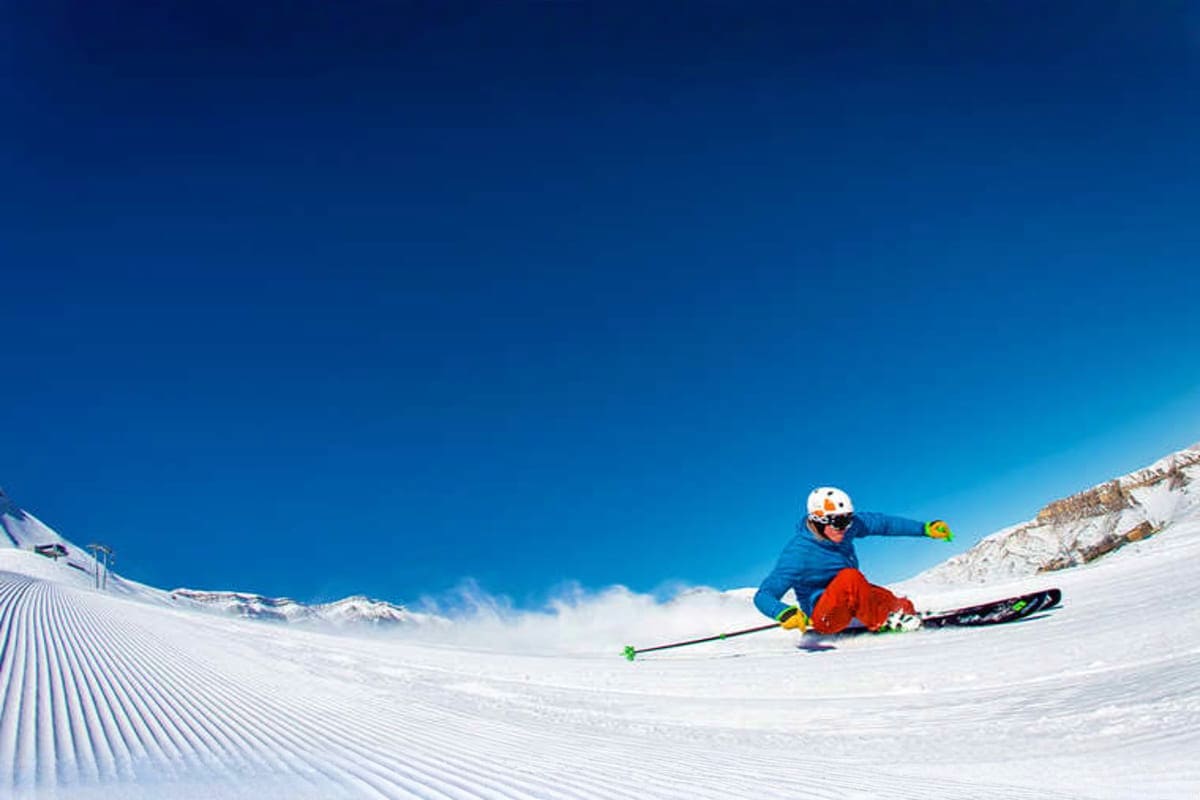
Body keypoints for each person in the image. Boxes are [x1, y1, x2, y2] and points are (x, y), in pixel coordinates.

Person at [754, 486, 954, 634]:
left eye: (848, 519)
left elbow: (885, 524)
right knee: (850, 578)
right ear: (818, 520)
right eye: (839, 522)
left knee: (896, 602)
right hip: (825, 617)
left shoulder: (847, 526)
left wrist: (924, 529)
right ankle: (884, 621)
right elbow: (764, 595)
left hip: (850, 597)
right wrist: (783, 612)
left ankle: (901, 615)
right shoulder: (798, 553)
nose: (845, 527)